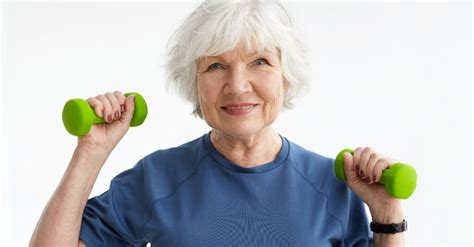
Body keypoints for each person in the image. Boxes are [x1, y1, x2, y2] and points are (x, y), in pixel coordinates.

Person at [30, 0, 406, 246]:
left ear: (286, 76)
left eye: (260, 62)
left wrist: (388, 215)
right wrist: (90, 152)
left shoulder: (335, 185)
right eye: (215, 66)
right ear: (193, 83)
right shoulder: (157, 178)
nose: (237, 85)